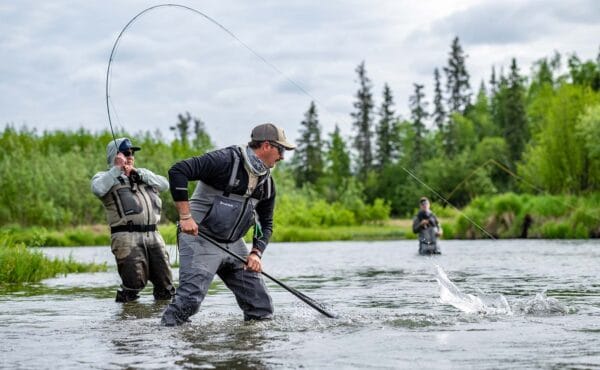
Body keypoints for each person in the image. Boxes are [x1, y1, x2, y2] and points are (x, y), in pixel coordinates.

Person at [161, 123, 295, 326]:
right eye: (281, 149)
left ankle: (249, 347)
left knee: (261, 306)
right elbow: (178, 171)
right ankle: (166, 337)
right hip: (200, 239)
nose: (283, 156)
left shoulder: (266, 183)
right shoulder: (224, 160)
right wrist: (185, 216)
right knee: (189, 301)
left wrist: (256, 253)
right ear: (267, 145)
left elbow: (265, 222)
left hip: (234, 245)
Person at [91, 137, 175, 302]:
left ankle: (165, 321)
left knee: (166, 285)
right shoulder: (104, 177)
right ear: (115, 155)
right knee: (133, 284)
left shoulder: (144, 175)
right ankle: (127, 322)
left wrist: (139, 173)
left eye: (132, 153)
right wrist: (116, 169)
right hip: (126, 237)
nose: (130, 156)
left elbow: (165, 185)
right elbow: (98, 189)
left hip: (154, 236)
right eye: (126, 153)